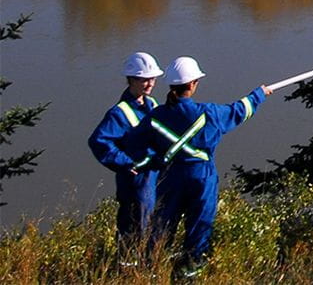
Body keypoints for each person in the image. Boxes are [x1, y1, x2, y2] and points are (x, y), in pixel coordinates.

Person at [122, 56, 273, 277]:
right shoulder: (209, 113)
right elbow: (239, 111)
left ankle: (153, 270)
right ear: (193, 84)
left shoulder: (156, 117)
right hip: (202, 178)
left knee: (162, 225)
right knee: (200, 225)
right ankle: (190, 271)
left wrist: (153, 161)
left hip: (170, 176)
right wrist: (259, 94)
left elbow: (132, 144)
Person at [88, 52, 163, 258]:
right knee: (134, 231)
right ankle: (128, 268)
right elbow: (99, 141)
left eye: (153, 78)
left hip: (154, 178)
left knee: (153, 230)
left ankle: (150, 267)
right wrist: (126, 163)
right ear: (131, 79)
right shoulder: (119, 113)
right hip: (135, 184)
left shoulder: (153, 105)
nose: (150, 83)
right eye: (144, 79)